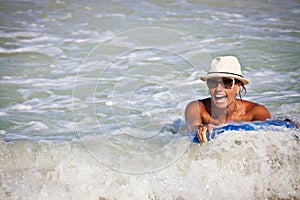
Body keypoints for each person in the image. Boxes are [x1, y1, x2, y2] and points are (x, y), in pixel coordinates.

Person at [185, 56, 271, 143]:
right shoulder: (198, 108)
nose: (218, 88)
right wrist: (199, 128)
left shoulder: (255, 113)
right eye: (212, 82)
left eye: (226, 82)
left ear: (238, 87)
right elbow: (191, 128)